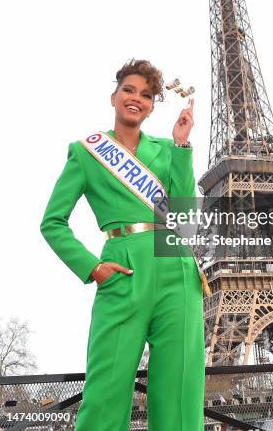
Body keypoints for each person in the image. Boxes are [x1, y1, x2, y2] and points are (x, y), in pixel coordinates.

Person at [40, 58, 205, 431]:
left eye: (146, 95)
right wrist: (92, 267)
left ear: (151, 106)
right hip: (122, 269)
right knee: (106, 393)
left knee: (180, 392)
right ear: (114, 96)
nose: (136, 98)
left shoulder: (167, 150)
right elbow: (52, 222)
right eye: (129, 90)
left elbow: (183, 216)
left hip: (176, 268)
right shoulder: (86, 152)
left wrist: (182, 146)